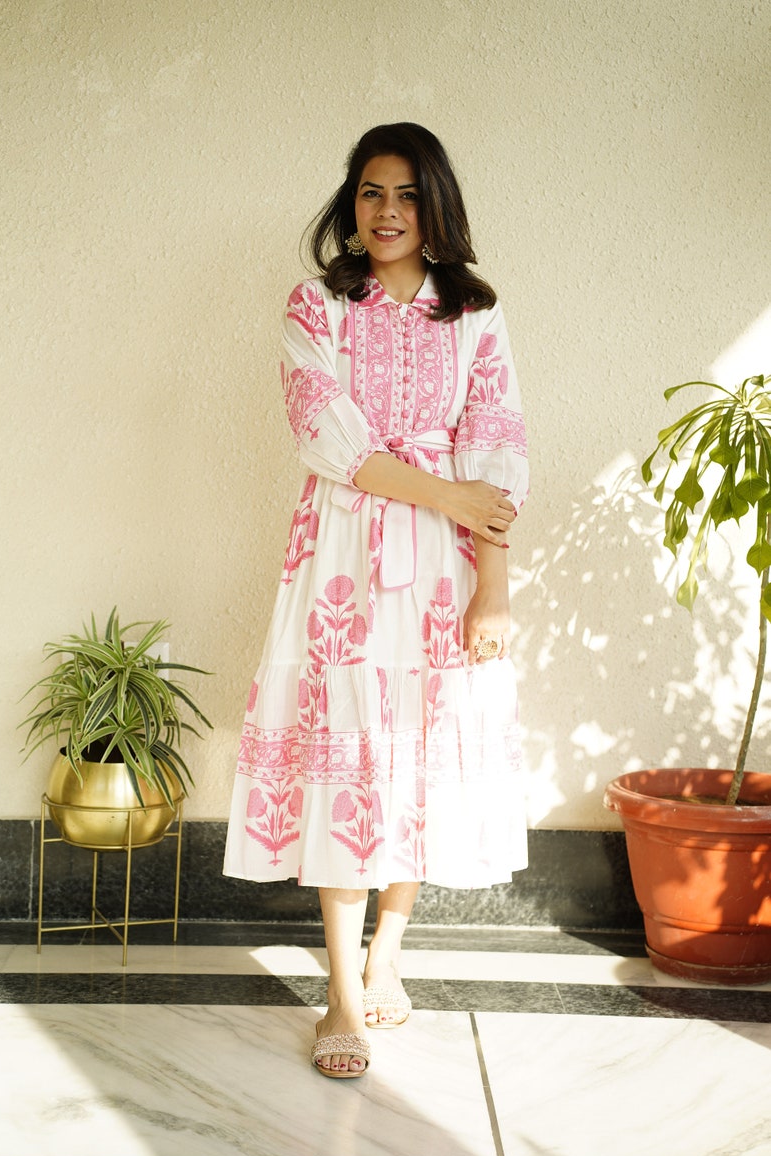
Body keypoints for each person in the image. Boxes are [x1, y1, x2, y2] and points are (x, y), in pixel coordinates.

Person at [224, 122, 529, 1079]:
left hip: (444, 570)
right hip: (343, 561)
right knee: (348, 749)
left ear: (434, 204)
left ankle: (386, 958)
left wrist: (495, 589)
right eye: (369, 193)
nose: (387, 212)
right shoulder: (317, 307)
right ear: (350, 204)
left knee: (419, 753)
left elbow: (497, 451)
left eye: (405, 194)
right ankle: (340, 997)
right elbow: (329, 435)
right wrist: (445, 494)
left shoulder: (475, 313)